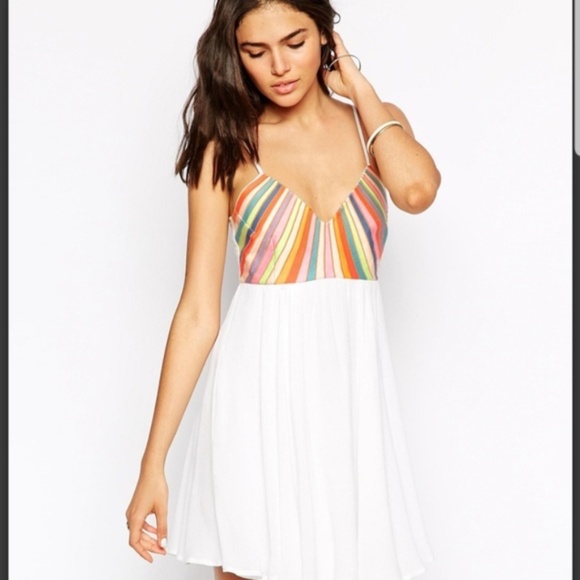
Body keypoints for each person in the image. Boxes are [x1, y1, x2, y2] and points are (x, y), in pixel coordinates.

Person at [125, 0, 441, 578]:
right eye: (256, 51)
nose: (278, 66)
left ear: (324, 35)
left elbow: (417, 191)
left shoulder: (376, 123)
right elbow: (197, 311)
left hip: (351, 403)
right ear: (236, 55)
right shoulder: (226, 147)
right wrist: (153, 462)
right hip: (255, 395)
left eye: (294, 42)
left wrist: (360, 89)